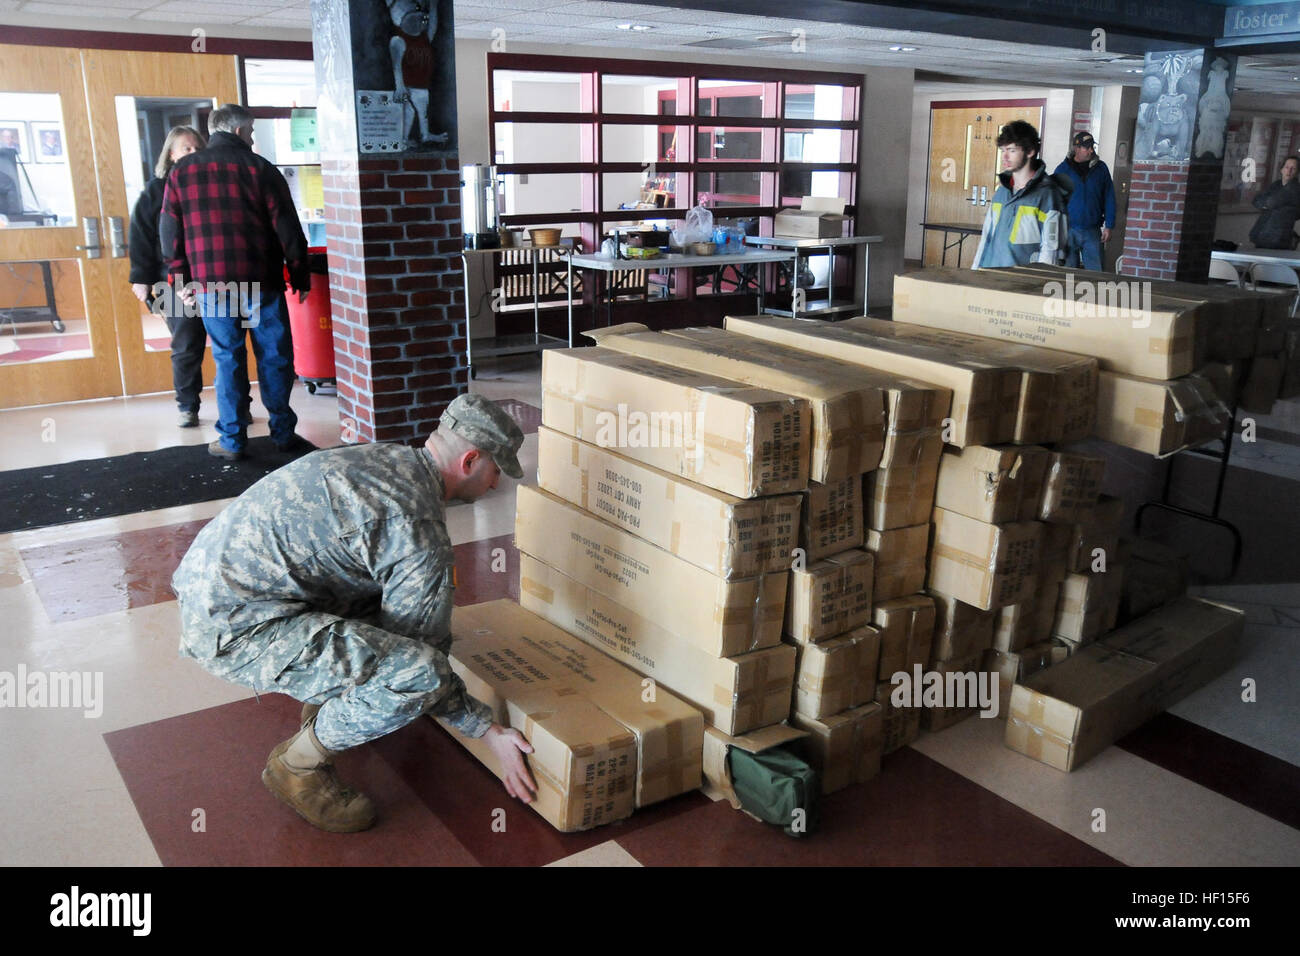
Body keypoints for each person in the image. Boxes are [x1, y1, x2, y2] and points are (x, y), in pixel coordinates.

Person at [172, 393, 537, 832]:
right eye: (496, 471)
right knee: (417, 673)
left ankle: (333, 698)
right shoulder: (417, 529)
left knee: (378, 604)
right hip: (235, 626)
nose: (495, 485)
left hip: (213, 583)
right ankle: (298, 766)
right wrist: (485, 729)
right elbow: (426, 659)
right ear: (470, 460)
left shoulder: (387, 458)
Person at [159, 103, 311, 461]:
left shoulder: (181, 173)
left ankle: (231, 439)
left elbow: (170, 233)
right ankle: (283, 434)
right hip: (261, 282)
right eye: (253, 131)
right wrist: (300, 272)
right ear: (241, 131)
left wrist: (179, 280)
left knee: (228, 358)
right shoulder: (260, 169)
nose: (253, 136)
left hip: (214, 287)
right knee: (274, 357)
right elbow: (288, 227)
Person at [129, 126, 207, 428]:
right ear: (171, 154)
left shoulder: (211, 184)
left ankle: (238, 406)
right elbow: (140, 236)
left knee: (231, 343)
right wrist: (141, 277)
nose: (193, 153)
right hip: (169, 278)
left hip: (212, 274)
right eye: (186, 148)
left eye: (198, 147)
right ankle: (188, 406)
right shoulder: (155, 190)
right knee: (187, 342)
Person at [973, 120, 1072, 269]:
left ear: (1030, 151)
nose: (1005, 156)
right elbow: (986, 238)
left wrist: (1039, 286)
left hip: (1022, 284)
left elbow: (1051, 251)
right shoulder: (1002, 192)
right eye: (1003, 150)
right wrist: (975, 272)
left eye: (1012, 150)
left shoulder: (1048, 196)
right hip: (989, 277)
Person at [1053, 131, 1116, 271]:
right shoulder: (1062, 170)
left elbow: (1109, 197)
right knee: (1068, 274)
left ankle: (1094, 293)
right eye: (1086, 147)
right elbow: (1054, 201)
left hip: (1092, 231)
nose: (1091, 150)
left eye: (1092, 146)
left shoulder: (1101, 169)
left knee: (1096, 273)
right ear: (1076, 149)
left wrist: (1109, 225)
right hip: (1068, 230)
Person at [1249, 155, 1300, 250]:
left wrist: (1267, 204)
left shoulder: (1295, 189)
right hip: (1263, 233)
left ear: (1297, 172)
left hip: (1278, 238)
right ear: (1281, 169)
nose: (1289, 171)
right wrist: (1268, 204)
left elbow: (1272, 202)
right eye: (1287, 167)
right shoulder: (1276, 185)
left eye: (1293, 169)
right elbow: (1256, 200)